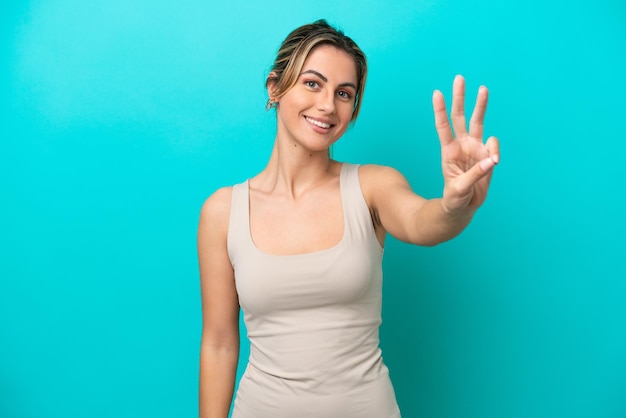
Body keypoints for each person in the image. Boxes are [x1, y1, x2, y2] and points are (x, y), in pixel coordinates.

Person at [197, 19, 499, 418]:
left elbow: (423, 222)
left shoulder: (373, 186)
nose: (327, 105)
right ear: (275, 88)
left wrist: (456, 205)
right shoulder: (222, 212)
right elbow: (219, 344)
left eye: (344, 93)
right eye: (312, 83)